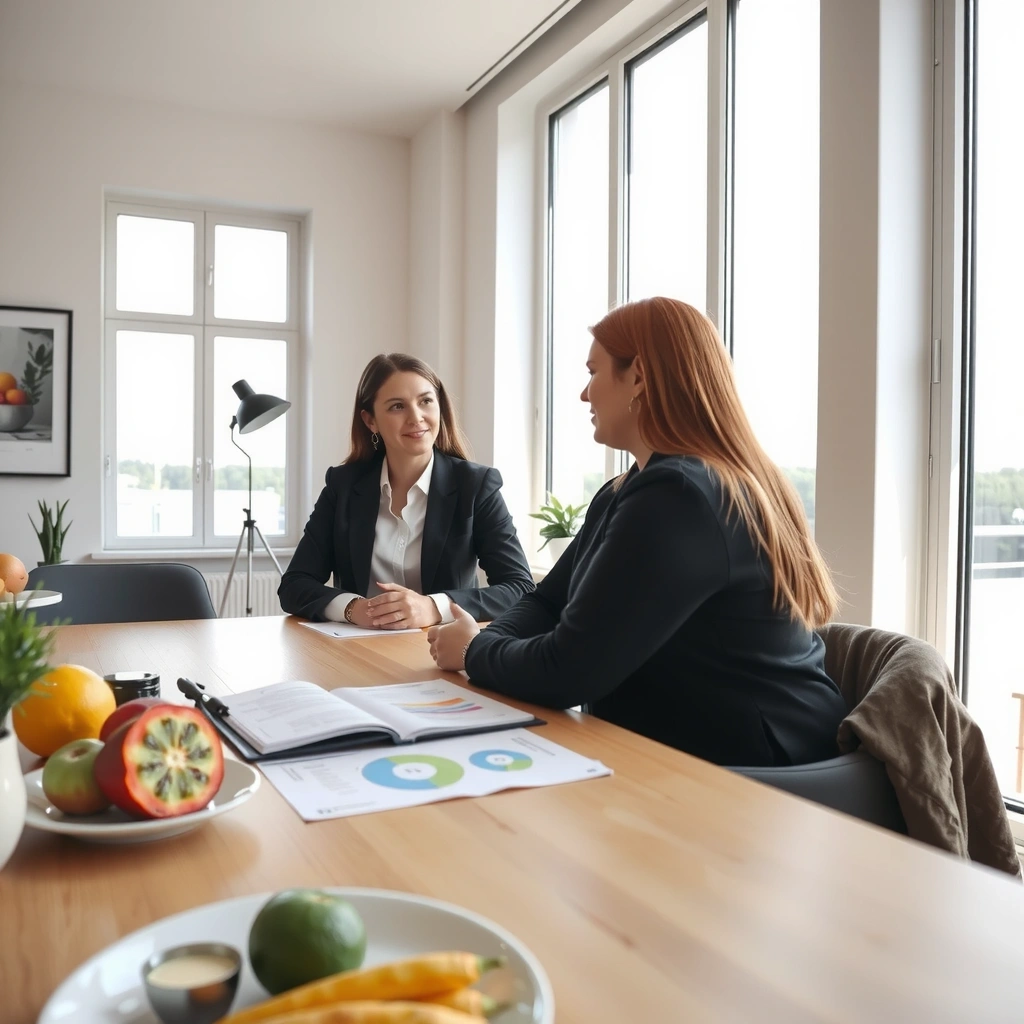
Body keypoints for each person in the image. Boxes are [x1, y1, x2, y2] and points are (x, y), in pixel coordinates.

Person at [428, 298, 847, 768]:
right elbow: (546, 602)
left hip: (762, 771)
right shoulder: (627, 490)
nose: (584, 394)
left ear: (640, 376)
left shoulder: (680, 495)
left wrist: (475, 649)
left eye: (594, 372)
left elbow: (570, 671)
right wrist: (480, 644)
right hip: (690, 754)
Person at [279, 353, 535, 627]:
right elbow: (294, 585)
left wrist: (434, 607)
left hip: (441, 645)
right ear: (370, 420)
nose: (416, 417)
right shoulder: (342, 486)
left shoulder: (476, 486)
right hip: (357, 645)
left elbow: (519, 588)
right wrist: (354, 608)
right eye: (397, 406)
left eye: (426, 401)